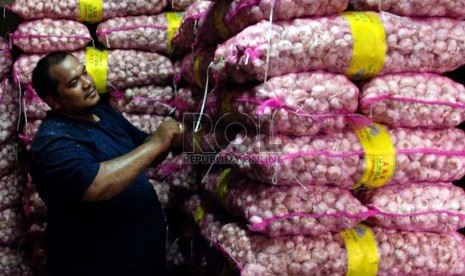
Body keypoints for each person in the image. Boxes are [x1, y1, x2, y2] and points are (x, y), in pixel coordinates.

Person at [28, 51, 182, 276]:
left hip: (139, 256)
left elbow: (144, 149)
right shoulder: (53, 142)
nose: (87, 83)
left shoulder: (102, 114)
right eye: (74, 83)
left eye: (84, 73)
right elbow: (96, 185)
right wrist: (156, 143)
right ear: (54, 101)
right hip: (98, 264)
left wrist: (172, 138)